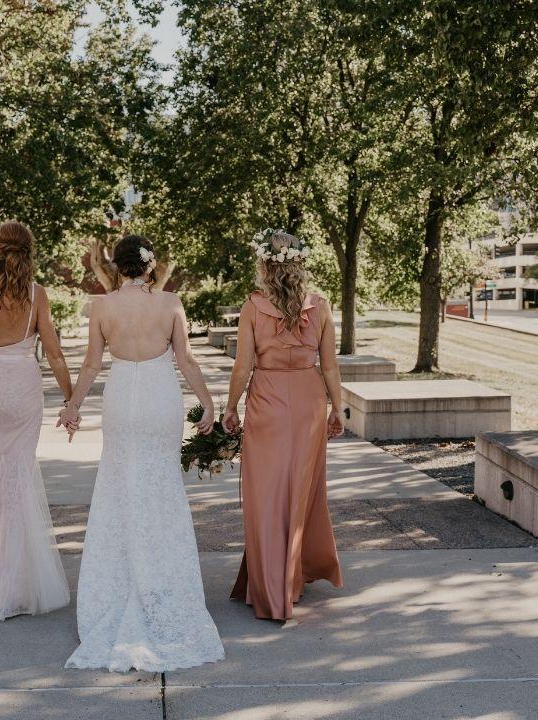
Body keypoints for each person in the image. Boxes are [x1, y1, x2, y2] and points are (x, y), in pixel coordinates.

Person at [57, 234, 225, 672]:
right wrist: (209, 403)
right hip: (159, 399)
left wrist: (72, 406)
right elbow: (186, 360)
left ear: (117, 267)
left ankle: (118, 587)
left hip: (120, 401)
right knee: (161, 488)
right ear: (150, 266)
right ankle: (161, 585)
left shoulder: (102, 306)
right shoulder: (170, 303)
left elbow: (91, 364)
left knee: (119, 488)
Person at [0, 221, 73, 621]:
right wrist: (71, 398)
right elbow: (54, 354)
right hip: (20, 386)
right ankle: (15, 582)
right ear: (28, 251)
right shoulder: (36, 294)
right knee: (18, 477)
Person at [223, 230, 344, 621]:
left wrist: (230, 408)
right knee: (302, 489)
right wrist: (338, 408)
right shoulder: (320, 306)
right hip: (309, 402)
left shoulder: (253, 307)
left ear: (264, 263)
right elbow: (329, 366)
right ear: (300, 262)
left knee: (266, 492)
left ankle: (272, 582)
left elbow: (243, 366)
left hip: (268, 401)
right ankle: (291, 577)